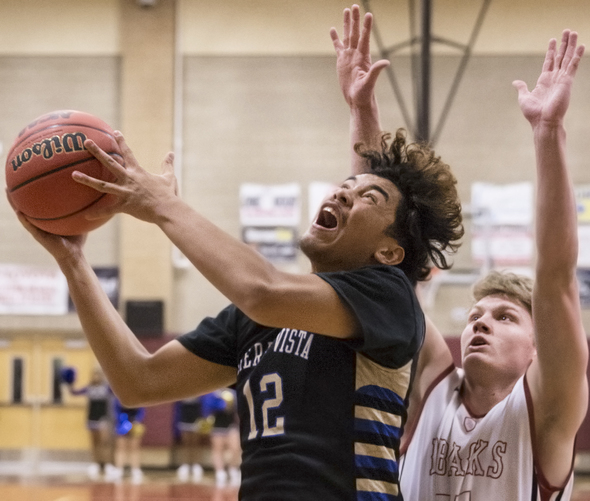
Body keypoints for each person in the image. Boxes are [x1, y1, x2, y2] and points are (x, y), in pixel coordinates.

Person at [11, 7, 463, 500]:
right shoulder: (257, 320)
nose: (340, 194)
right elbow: (137, 381)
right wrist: (73, 262)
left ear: (391, 252)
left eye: (366, 198)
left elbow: (263, 289)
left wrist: (163, 205)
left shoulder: (388, 298)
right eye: (343, 186)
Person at [331, 6, 588, 499]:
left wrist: (547, 133)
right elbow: (374, 251)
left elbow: (556, 274)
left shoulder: (546, 414)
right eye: (475, 315)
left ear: (539, 347)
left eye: (506, 317)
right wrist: (361, 113)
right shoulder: (433, 387)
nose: (481, 322)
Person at [63, 366, 115, 480]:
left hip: (103, 418)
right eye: (94, 374)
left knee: (104, 443)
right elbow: (74, 392)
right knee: (94, 443)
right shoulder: (89, 388)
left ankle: (106, 465)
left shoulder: (106, 388)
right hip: (92, 418)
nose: (96, 376)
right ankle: (96, 464)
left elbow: (118, 392)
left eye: (98, 374)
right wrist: (69, 383)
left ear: (101, 376)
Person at [205, 389, 241, 487]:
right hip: (217, 426)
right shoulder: (212, 394)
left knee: (235, 448)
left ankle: (233, 469)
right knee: (218, 449)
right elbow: (207, 408)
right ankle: (220, 472)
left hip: (231, 425)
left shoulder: (232, 392)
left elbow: (238, 408)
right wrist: (222, 404)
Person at [108, 399, 145, 484]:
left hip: (135, 423)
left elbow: (142, 410)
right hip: (122, 423)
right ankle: (119, 469)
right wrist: (124, 422)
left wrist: (136, 422)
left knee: (134, 447)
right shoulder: (119, 396)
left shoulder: (138, 396)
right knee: (121, 446)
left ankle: (135, 469)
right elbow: (115, 410)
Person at [174, 396, 206, 482]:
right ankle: (185, 464)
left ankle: (196, 465)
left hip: (196, 414)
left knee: (196, 442)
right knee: (185, 442)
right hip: (184, 414)